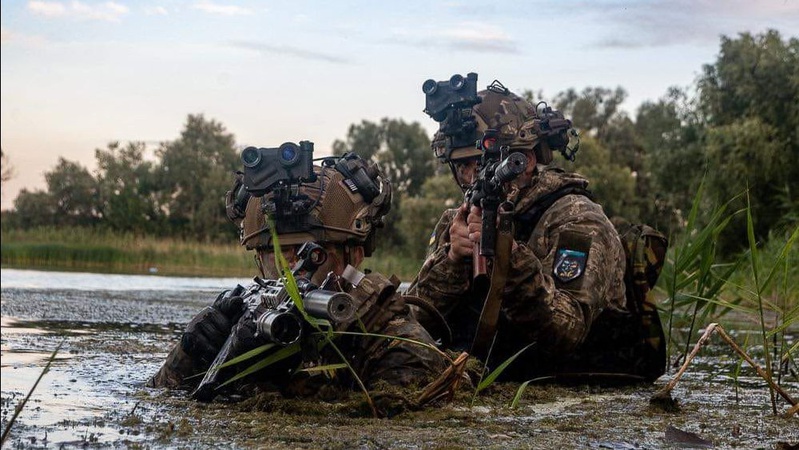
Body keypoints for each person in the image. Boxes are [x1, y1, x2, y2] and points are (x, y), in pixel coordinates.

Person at [408, 75, 665, 383]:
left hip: (572, 389)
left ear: (526, 160)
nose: (471, 177)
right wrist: (452, 260)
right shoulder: (457, 222)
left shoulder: (578, 219)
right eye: (462, 167)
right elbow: (414, 324)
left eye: (481, 163)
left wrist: (509, 255)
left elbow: (566, 332)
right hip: (488, 387)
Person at [149, 151, 454, 404]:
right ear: (258, 261)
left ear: (355, 256)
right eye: (278, 253)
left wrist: (276, 383)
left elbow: (383, 427)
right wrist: (188, 356)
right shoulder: (245, 323)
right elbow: (159, 403)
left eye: (312, 254)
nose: (292, 267)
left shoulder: (395, 342)